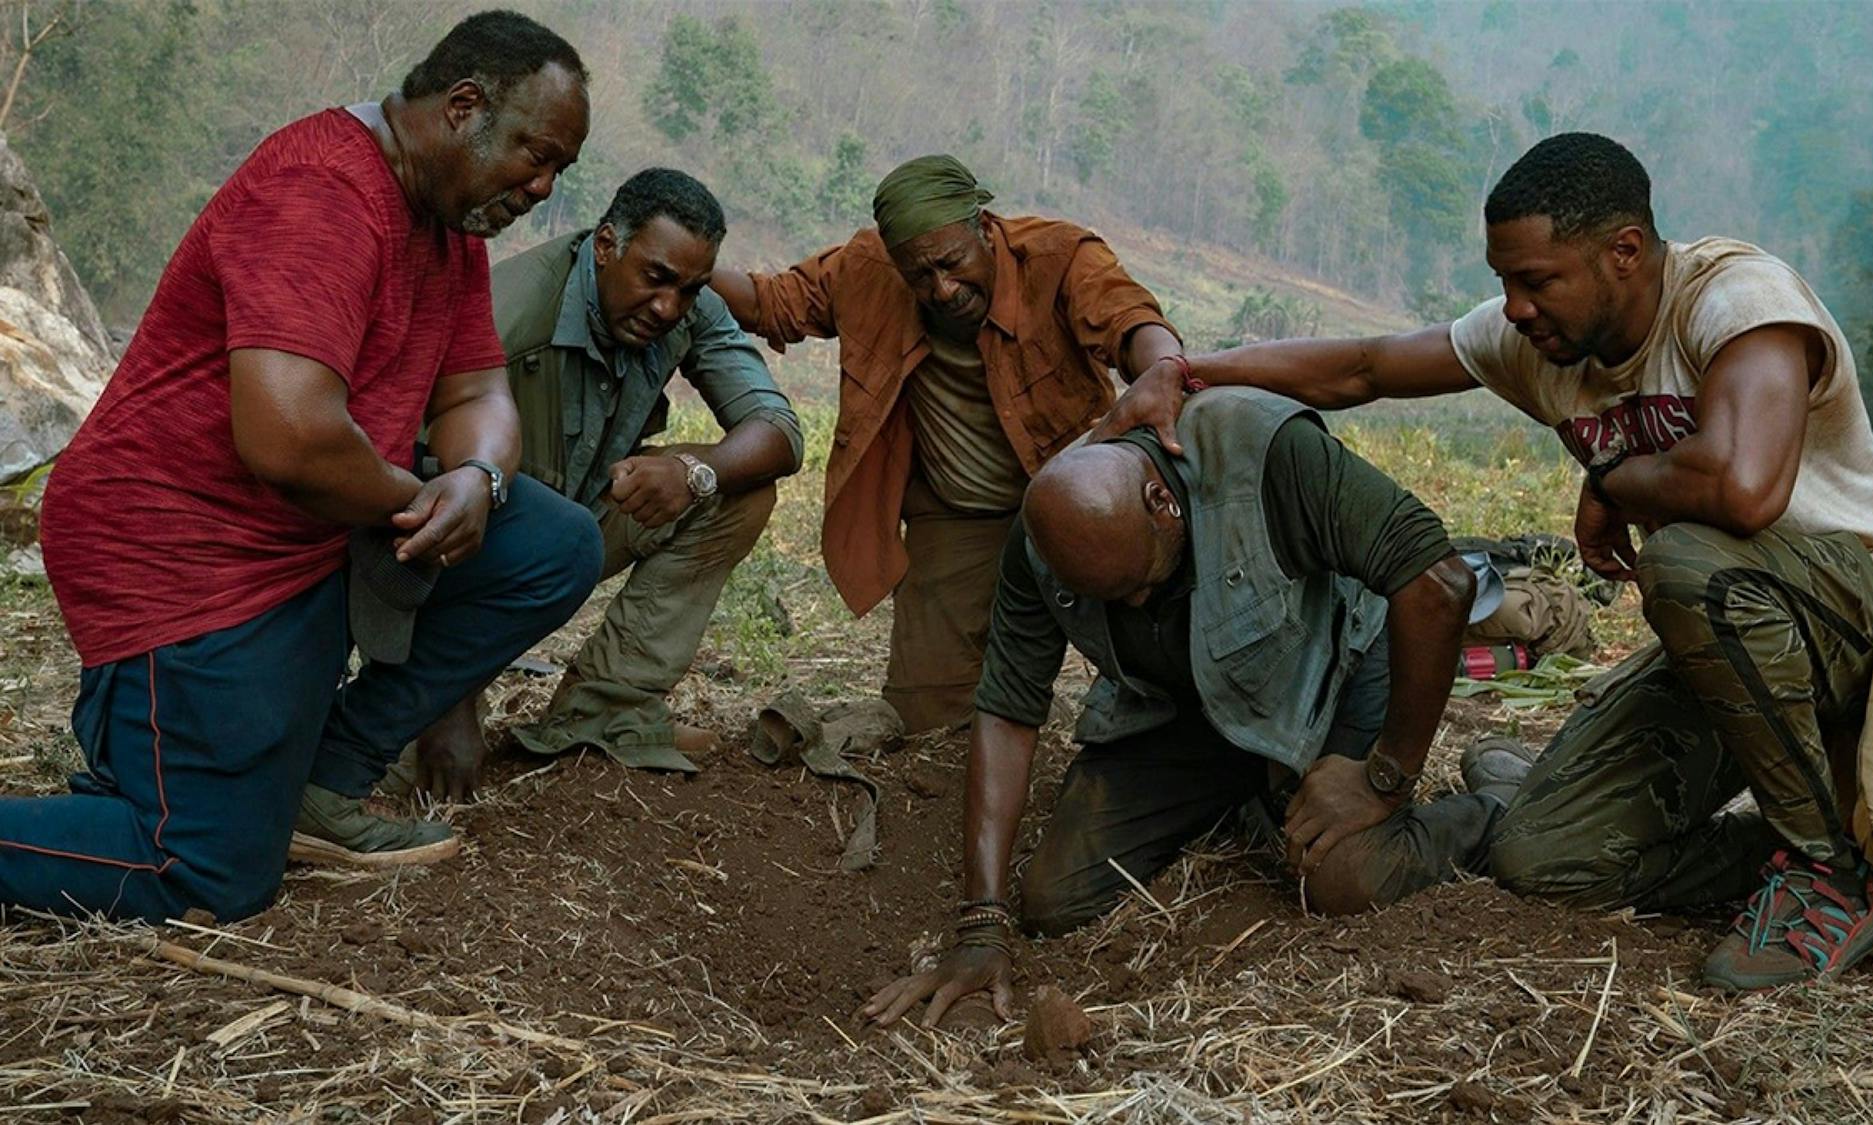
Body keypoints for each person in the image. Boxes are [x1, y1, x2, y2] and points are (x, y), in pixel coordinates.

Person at [1094, 133, 1873, 991]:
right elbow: (1364, 368)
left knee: (1691, 566)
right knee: (1544, 855)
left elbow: (1745, 492)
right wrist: (1186, 370)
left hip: (1870, 613)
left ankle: (1827, 874)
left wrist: (1616, 480)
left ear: (1623, 251)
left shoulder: (1736, 300)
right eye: (1503, 282)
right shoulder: (1541, 341)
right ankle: (1784, 847)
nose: (1514, 306)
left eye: (1535, 280)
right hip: (1735, 649)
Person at [1, 11, 600, 922]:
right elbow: (287, 439)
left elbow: (478, 395)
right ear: (463, 107)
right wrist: (417, 500)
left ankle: (323, 777)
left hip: (313, 532)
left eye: (560, 168)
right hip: (184, 547)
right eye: (535, 154)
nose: (543, 187)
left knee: (551, 545)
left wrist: (473, 481)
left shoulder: (449, 226)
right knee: (204, 871)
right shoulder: (322, 191)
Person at [862, 386, 1506, 1027]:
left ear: (1161, 501)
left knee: (1341, 879)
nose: (1137, 607)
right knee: (1058, 898)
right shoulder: (1044, 538)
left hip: (1336, 669)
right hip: (1187, 705)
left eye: (1143, 584)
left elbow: (1440, 584)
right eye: (1113, 601)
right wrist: (981, 926)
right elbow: (1007, 710)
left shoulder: (1266, 454)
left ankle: (1497, 807)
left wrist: (1384, 777)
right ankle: (1258, 789)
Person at [709, 155, 1184, 733]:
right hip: (960, 517)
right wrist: (689, 265)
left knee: (1160, 686)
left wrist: (1162, 369)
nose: (943, 289)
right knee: (925, 715)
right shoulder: (868, 268)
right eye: (920, 276)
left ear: (984, 229)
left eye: (952, 263)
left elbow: (1129, 320)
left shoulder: (1059, 257)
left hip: (1081, 506)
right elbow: (770, 303)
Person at [408, 168, 802, 793]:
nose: (669, 306)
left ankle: (603, 709)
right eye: (656, 279)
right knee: (410, 760)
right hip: (469, 555)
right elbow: (421, 509)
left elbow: (777, 430)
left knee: (739, 487)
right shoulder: (506, 319)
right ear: (606, 246)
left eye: (690, 288)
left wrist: (694, 473)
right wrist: (447, 703)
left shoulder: (686, 310)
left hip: (573, 530)